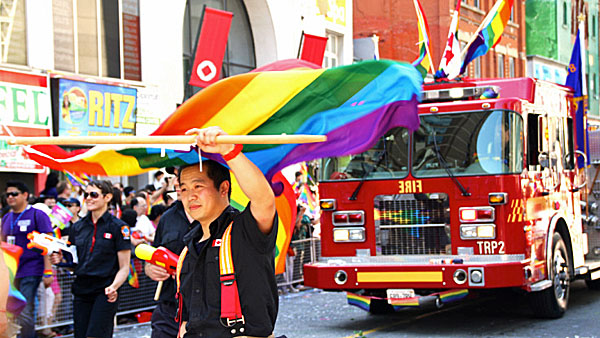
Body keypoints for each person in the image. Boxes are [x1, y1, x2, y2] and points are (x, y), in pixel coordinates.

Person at [176, 126, 277, 338]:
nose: (190, 196)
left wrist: (229, 150)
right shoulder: (188, 248)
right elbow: (187, 317)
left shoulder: (244, 232)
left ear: (223, 189)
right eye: (183, 189)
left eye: (198, 186)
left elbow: (264, 200)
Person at [50, 180, 131, 338]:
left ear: (107, 197)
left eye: (93, 194)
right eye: (85, 194)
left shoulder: (119, 227)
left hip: (105, 289)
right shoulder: (78, 227)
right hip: (81, 288)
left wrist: (113, 286)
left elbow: (124, 267)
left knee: (96, 335)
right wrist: (61, 261)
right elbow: (74, 263)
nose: (88, 198)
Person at [1, 180, 53, 338]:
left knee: (25, 309)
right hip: (10, 271)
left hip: (31, 268)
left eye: (14, 194)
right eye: (7, 194)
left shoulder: (38, 215)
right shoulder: (6, 217)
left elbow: (48, 244)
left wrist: (48, 270)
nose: (10, 197)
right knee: (11, 309)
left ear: (25, 195)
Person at [144, 181, 194, 338]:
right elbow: (154, 255)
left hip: (206, 309)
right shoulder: (167, 218)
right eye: (176, 178)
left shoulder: (220, 217)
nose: (176, 184)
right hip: (169, 307)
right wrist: (151, 269)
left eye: (182, 180)